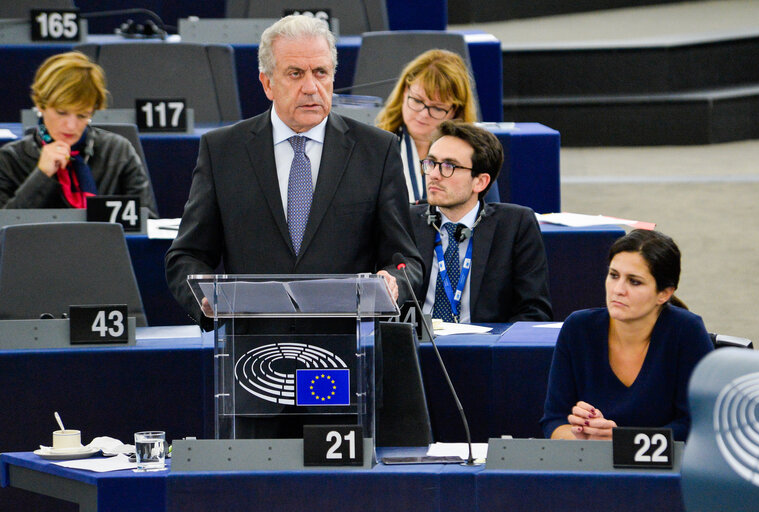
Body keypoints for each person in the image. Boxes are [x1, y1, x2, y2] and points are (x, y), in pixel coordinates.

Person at [165, 15, 422, 331]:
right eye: (296, 74)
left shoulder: (376, 151)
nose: (311, 87)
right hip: (251, 352)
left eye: (321, 73)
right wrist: (205, 300)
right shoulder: (223, 151)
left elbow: (405, 260)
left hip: (344, 352)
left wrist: (394, 280)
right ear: (267, 83)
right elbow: (186, 255)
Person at [540, 229, 713, 442]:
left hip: (665, 470)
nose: (618, 290)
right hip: (594, 468)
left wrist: (622, 442)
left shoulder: (687, 331)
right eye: (614, 276)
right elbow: (554, 420)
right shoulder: (578, 327)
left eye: (634, 281)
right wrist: (582, 438)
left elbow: (697, 426)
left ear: (664, 293)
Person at [408, 121, 552, 323]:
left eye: (448, 166)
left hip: (481, 347)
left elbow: (534, 311)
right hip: (416, 347)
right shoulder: (405, 221)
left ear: (480, 181)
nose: (433, 174)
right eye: (430, 163)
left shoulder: (515, 225)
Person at [0, 52, 158, 215]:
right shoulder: (10, 159)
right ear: (41, 106)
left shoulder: (118, 151)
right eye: (61, 113)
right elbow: (4, 230)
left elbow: (148, 222)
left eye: (82, 115)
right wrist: (41, 175)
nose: (70, 125)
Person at [375, 49, 499, 204]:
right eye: (418, 101)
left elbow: (489, 217)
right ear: (405, 91)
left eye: (437, 108)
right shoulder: (375, 145)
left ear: (455, 111)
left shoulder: (475, 153)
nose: (423, 114)